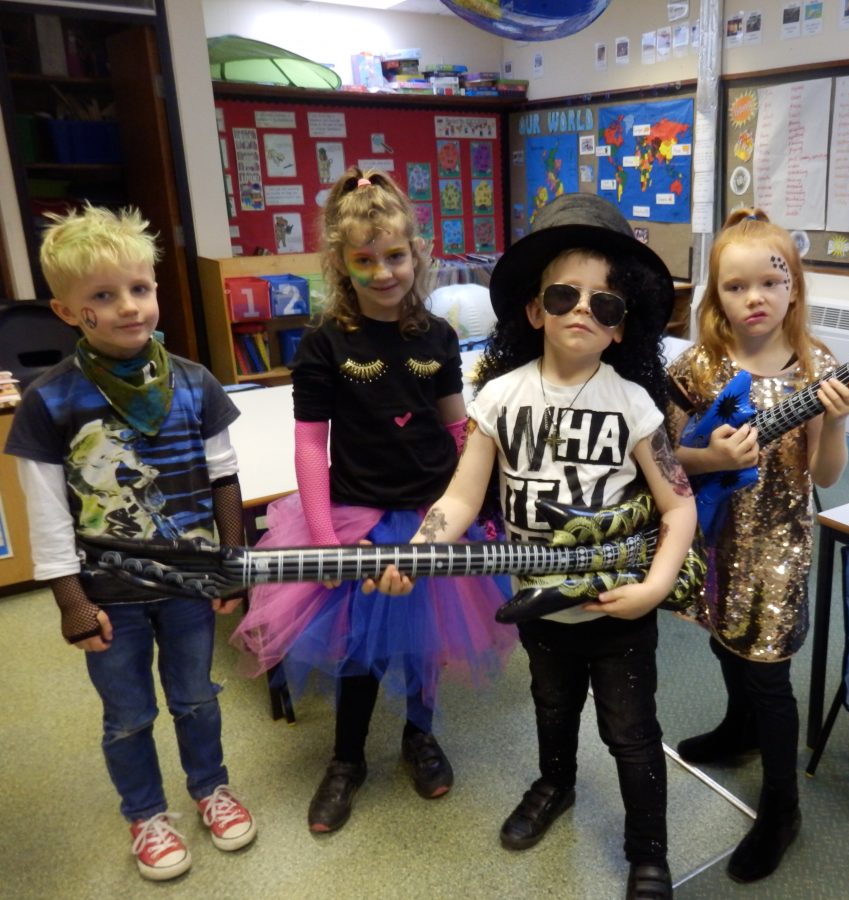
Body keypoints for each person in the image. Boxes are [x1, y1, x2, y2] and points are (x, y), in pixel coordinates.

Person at [381, 192, 697, 900]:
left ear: (621, 326)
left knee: (631, 733)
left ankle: (648, 850)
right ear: (533, 310)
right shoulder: (496, 398)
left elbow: (679, 505)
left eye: (604, 302)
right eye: (563, 295)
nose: (583, 309)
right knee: (551, 707)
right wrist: (419, 550)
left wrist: (653, 589)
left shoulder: (634, 404)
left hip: (620, 609)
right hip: (537, 603)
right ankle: (555, 784)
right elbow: (461, 498)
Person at [230, 168, 515, 834]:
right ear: (340, 263)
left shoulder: (437, 336)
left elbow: (456, 427)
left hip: (433, 516)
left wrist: (481, 505)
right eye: (365, 260)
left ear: (417, 253)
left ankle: (420, 734)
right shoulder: (325, 344)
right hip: (357, 519)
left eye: (395, 255)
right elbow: (310, 446)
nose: (383, 272)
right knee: (361, 648)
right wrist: (324, 539)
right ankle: (347, 759)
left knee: (425, 640)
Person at [4, 204, 257, 881]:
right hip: (109, 596)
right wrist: (70, 601)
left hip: (189, 586)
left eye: (139, 288)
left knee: (197, 697)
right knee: (128, 715)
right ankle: (145, 814)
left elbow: (225, 479)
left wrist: (232, 564)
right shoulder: (51, 401)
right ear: (67, 311)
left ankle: (211, 788)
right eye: (104, 295)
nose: (128, 307)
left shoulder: (195, 382)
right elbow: (46, 517)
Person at [666, 208, 849, 883]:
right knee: (725, 640)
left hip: (779, 542)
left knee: (769, 671)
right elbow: (665, 455)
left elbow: (826, 477)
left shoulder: (817, 367)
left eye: (771, 282)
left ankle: (782, 806)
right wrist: (711, 458)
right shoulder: (698, 366)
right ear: (715, 297)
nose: (755, 298)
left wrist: (835, 424)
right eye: (735, 286)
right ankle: (738, 729)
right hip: (715, 535)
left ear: (794, 288)